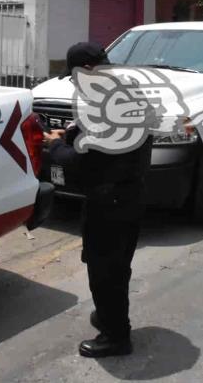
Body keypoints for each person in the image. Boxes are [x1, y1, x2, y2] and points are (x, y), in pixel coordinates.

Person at [44, 42, 152, 358]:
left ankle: (116, 336)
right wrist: (73, 131)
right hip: (129, 194)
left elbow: (82, 161)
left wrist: (55, 148)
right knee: (116, 265)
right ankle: (109, 315)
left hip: (111, 201)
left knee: (106, 271)